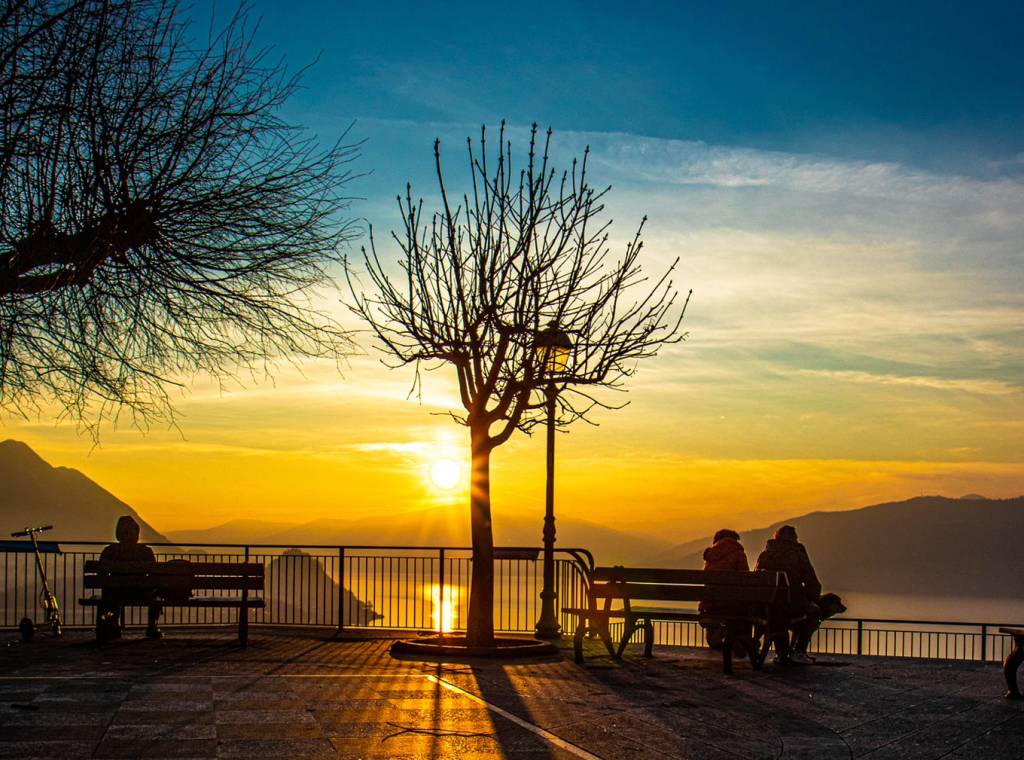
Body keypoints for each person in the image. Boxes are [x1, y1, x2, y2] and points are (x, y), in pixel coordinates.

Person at [755, 525, 822, 664]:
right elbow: (811, 580)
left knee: (777, 614)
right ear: (793, 538)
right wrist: (814, 597)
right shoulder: (797, 553)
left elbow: (756, 577)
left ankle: (781, 652)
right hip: (792, 605)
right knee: (814, 612)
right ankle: (799, 651)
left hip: (765, 608)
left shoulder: (766, 554)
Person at [100, 515, 162, 639]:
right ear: (137, 533)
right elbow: (154, 576)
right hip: (141, 593)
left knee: (109, 591)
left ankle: (113, 625)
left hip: (116, 593)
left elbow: (101, 576)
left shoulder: (109, 551)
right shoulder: (146, 552)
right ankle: (152, 626)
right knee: (157, 595)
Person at [700, 529, 750, 654]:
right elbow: (746, 578)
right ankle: (742, 642)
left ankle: (715, 639)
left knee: (717, 606)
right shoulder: (738, 553)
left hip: (710, 605)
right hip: (731, 605)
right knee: (747, 610)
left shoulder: (710, 556)